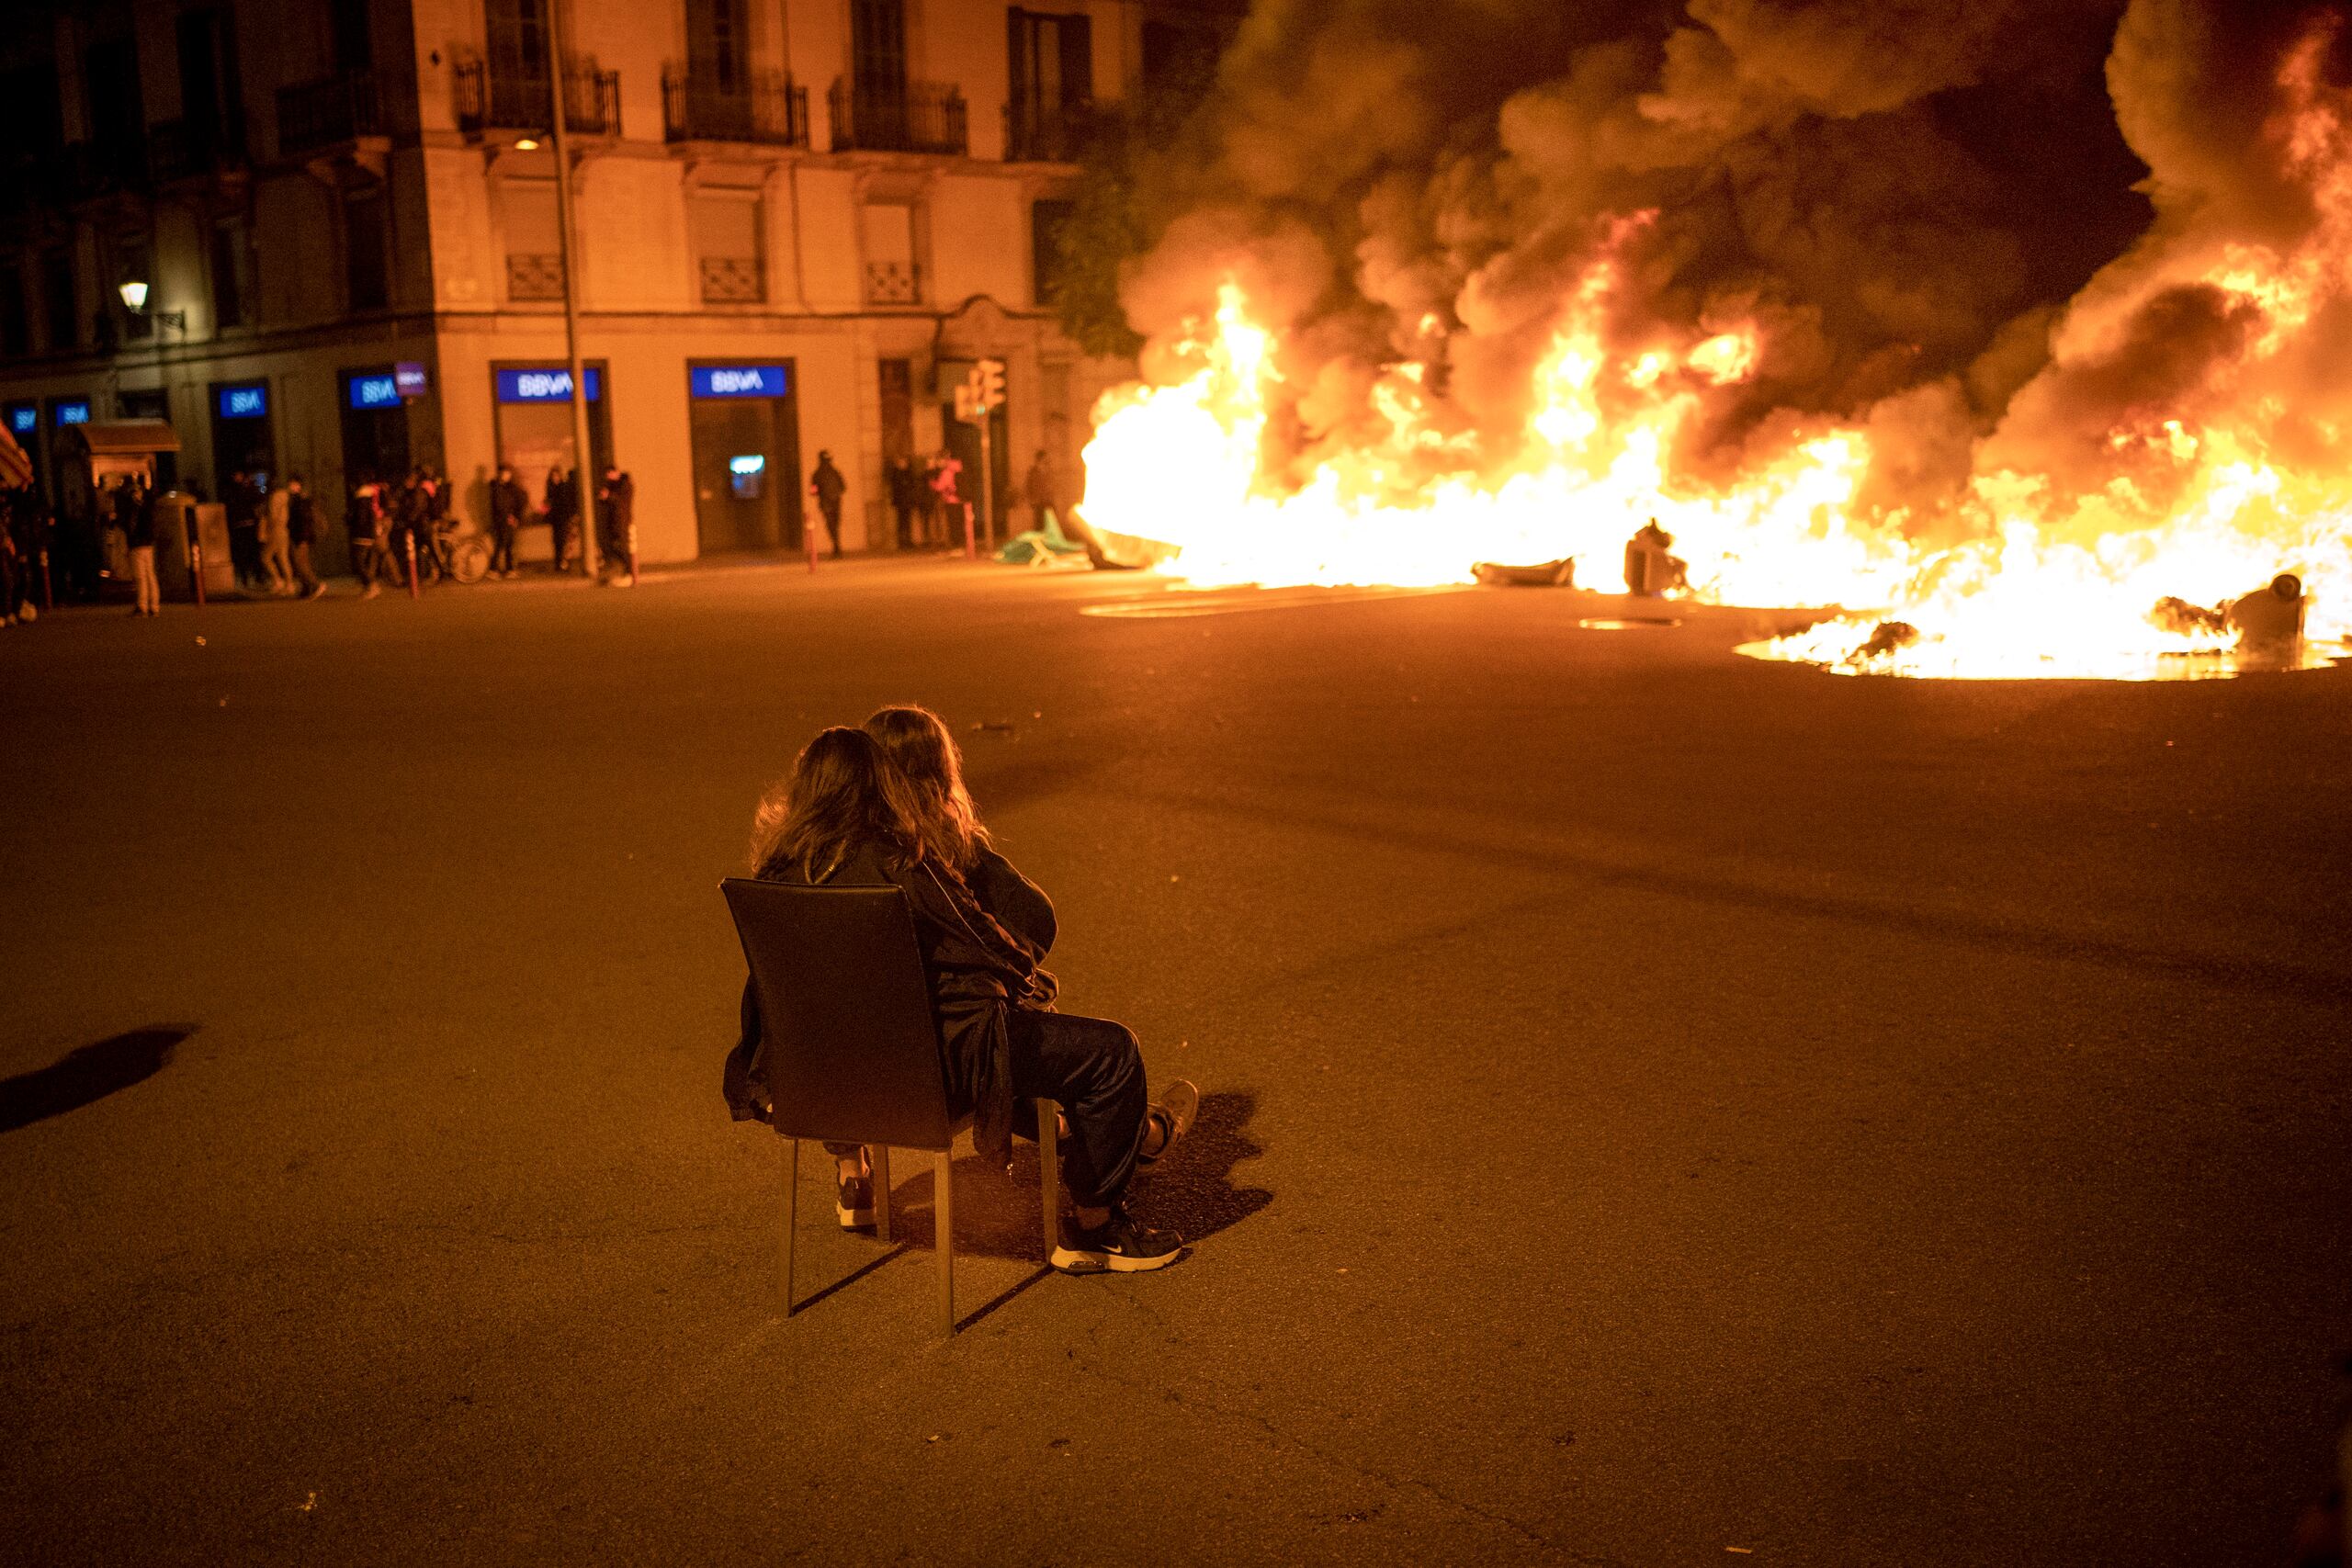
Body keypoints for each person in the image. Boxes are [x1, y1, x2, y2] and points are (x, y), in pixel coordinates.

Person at [728, 728, 1197, 1271]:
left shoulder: (774, 878)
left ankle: (854, 1175)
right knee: (1111, 1053)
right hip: (931, 1080)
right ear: (878, 786)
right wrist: (1025, 979)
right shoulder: (903, 861)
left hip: (823, 1086)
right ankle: (1096, 1228)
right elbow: (982, 938)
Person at [2227, 572, 2307, 657]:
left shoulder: (2296, 606)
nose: (2288, 588)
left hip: (2277, 649)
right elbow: (2236, 616)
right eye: (2286, 586)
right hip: (2254, 649)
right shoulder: (2254, 600)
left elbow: (2296, 629)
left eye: (2289, 586)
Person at [1623, 518, 1688, 596]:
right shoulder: (1648, 547)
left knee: (1680, 564)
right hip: (1649, 589)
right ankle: (1683, 587)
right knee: (1680, 564)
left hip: (1642, 588)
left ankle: (1682, 587)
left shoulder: (1636, 545)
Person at [347, 477, 389, 598]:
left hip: (362, 533)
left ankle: (371, 584)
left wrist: (350, 519)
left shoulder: (361, 499)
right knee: (364, 559)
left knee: (359, 561)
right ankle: (369, 584)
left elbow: (361, 517)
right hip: (367, 533)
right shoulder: (368, 498)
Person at [284, 475, 324, 599]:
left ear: (299, 485)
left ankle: (316, 585)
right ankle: (306, 589)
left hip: (301, 537)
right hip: (299, 536)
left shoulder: (301, 501)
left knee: (301, 564)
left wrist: (301, 537)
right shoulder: (296, 500)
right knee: (300, 563)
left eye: (293, 484)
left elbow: (303, 521)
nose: (290, 486)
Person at [126, 476, 160, 616]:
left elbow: (131, 527)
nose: (134, 495)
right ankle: (154, 606)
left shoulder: (135, 509)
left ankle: (142, 605)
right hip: (147, 545)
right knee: (150, 575)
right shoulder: (148, 507)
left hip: (138, 545)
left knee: (141, 577)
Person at [596, 463, 635, 585]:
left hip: (622, 521)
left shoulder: (625, 484)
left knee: (622, 547)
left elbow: (621, 502)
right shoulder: (611, 485)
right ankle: (622, 571)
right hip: (612, 522)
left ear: (615, 472)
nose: (608, 478)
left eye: (609, 474)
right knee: (612, 546)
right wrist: (604, 497)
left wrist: (609, 496)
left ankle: (629, 573)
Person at [224, 469, 262, 588]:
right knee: (242, 553)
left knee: (252, 552)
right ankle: (246, 577)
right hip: (239, 525)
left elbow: (256, 500)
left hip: (248, 524)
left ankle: (257, 576)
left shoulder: (247, 489)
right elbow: (230, 507)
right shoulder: (232, 491)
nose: (238, 478)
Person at [488, 465, 526, 579]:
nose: (507, 476)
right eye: (505, 474)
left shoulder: (509, 487)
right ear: (501, 474)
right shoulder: (497, 487)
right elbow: (500, 505)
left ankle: (507, 569)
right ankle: (494, 569)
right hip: (502, 520)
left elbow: (517, 500)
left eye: (508, 474)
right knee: (502, 544)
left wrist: (515, 517)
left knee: (507, 544)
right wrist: (509, 517)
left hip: (508, 519)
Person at [259, 477, 296, 596]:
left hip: (276, 530)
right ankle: (289, 584)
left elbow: (272, 515)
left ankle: (278, 580)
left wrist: (266, 530)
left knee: (266, 557)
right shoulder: (286, 497)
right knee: (283, 558)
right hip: (284, 530)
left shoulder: (274, 497)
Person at [809, 450, 847, 558]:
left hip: (825, 503)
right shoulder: (835, 472)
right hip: (836, 502)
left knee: (831, 525)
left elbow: (813, 491)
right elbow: (843, 487)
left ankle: (836, 547)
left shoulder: (817, 474)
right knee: (836, 524)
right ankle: (837, 547)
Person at [887, 454, 919, 549]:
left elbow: (913, 486)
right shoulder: (896, 474)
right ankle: (901, 541)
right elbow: (895, 488)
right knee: (901, 522)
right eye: (901, 462)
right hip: (900, 501)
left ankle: (908, 540)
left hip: (907, 501)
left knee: (907, 521)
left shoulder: (909, 473)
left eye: (904, 462)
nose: (903, 464)